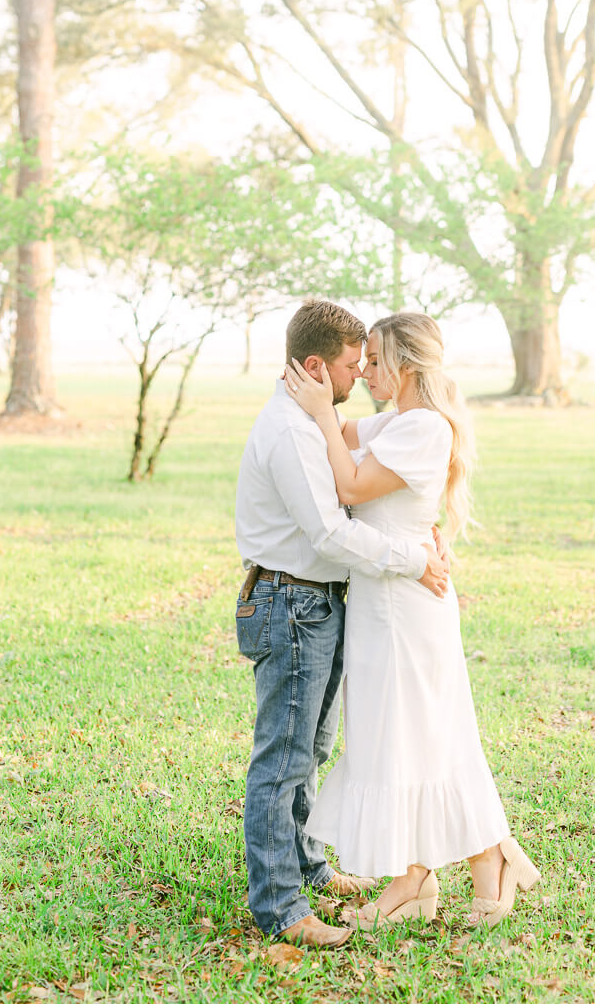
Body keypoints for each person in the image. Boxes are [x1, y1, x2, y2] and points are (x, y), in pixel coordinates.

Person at [283, 312, 540, 930]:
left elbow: (349, 486)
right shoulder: (400, 420)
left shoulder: (423, 427)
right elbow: (346, 436)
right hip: (386, 595)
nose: (365, 371)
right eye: (363, 361)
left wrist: (319, 413)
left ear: (405, 363)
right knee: (403, 735)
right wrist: (321, 407)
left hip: (406, 604)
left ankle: (459, 864)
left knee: (412, 734)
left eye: (374, 361)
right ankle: (435, 871)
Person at [234, 300, 451, 949]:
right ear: (314, 366)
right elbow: (330, 533)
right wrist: (413, 560)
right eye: (352, 366)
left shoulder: (310, 419)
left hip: (316, 603)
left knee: (313, 749)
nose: (359, 376)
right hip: (291, 601)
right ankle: (280, 906)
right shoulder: (293, 433)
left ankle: (307, 865)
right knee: (283, 757)